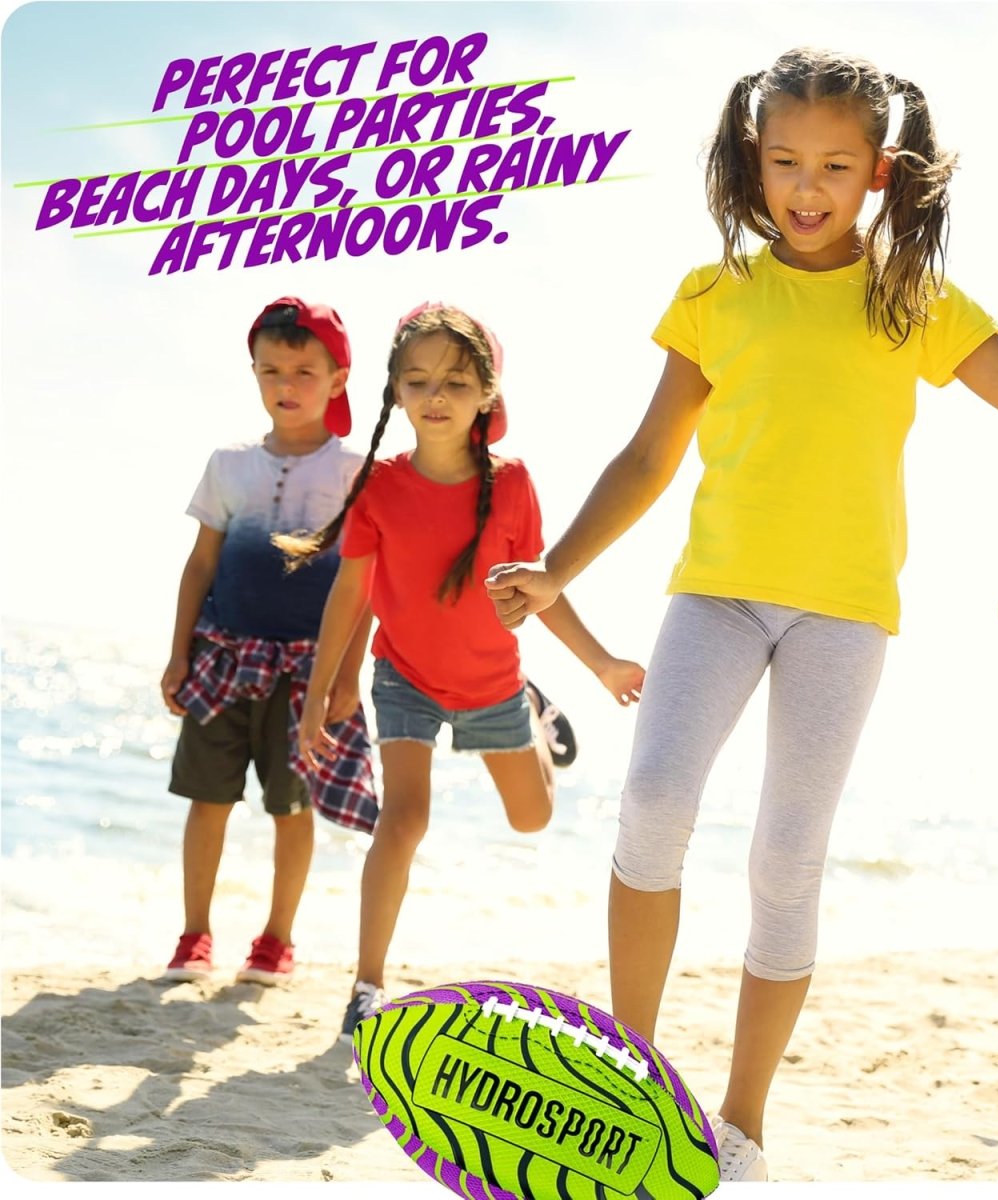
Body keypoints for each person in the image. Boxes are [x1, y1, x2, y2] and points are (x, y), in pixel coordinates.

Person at [484, 48, 998, 1181]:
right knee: (654, 800)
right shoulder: (715, 297)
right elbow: (648, 455)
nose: (803, 189)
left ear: (879, 175)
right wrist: (559, 569)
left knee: (784, 860)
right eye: (781, 163)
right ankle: (625, 1073)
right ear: (748, 163)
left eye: (832, 166)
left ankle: (742, 1124)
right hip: (713, 592)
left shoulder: (911, 304)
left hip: (841, 616)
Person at [280, 302, 646, 1042]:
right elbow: (350, 593)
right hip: (405, 677)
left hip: (490, 685)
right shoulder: (377, 486)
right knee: (404, 819)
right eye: (417, 382)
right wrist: (323, 692)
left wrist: (603, 663)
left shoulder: (512, 485)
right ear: (395, 393)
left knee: (531, 817)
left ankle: (537, 721)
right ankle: (367, 985)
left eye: (454, 381)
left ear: (488, 395)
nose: (435, 397)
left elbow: (541, 592)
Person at [160, 298, 377, 987]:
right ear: (254, 373)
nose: (288, 384)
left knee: (292, 805)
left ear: (338, 379)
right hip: (223, 654)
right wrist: (178, 652)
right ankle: (194, 936)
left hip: (307, 670)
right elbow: (200, 563)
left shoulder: (354, 470)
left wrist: (346, 677)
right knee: (208, 797)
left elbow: (366, 582)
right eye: (271, 370)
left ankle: (276, 941)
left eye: (304, 371)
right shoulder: (230, 465)